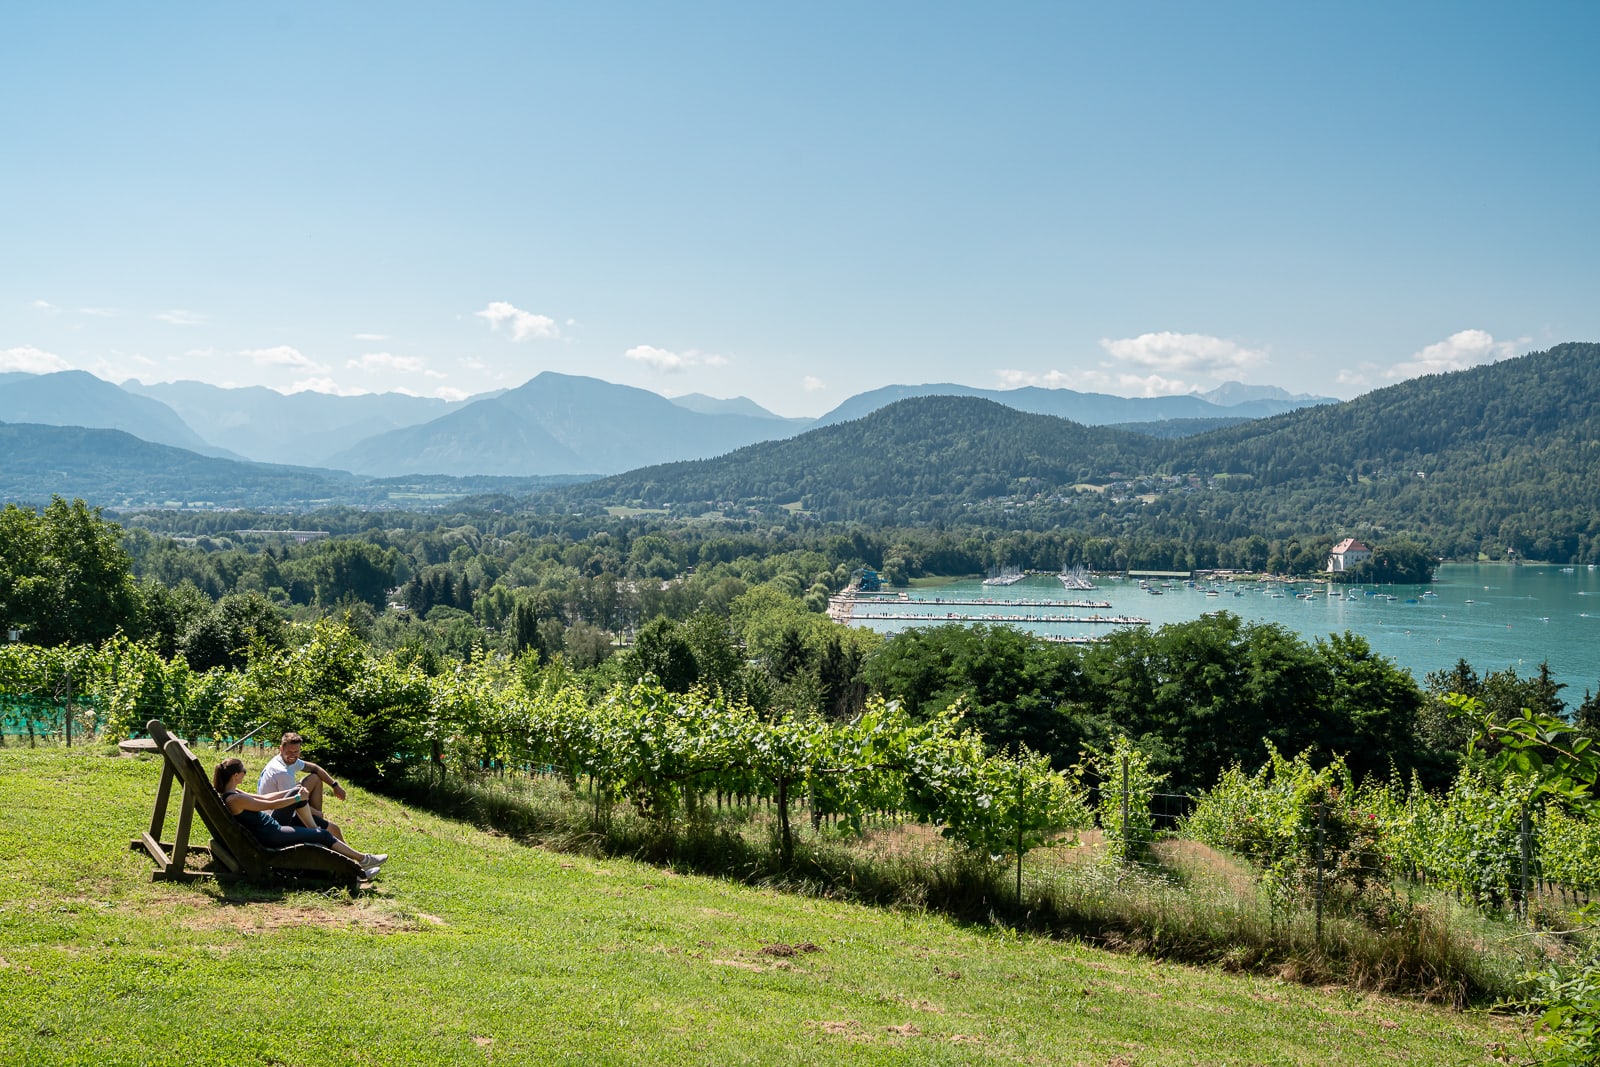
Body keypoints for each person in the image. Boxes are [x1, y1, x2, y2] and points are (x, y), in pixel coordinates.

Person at [213, 756, 387, 878]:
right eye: (243, 770)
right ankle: (362, 863)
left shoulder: (233, 793)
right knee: (325, 835)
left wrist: (295, 792)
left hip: (271, 827)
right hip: (272, 834)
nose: (245, 772)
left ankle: (316, 832)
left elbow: (265, 797)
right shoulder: (235, 800)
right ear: (236, 775)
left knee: (299, 794)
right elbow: (269, 805)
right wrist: (297, 799)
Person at [259, 732, 346, 841]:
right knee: (334, 829)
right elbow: (293, 801)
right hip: (277, 818)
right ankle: (347, 857)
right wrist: (317, 813)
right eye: (289, 752)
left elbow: (315, 768)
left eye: (296, 752)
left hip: (281, 806)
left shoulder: (284, 759)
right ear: (281, 749)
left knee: (315, 778)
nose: (292, 755)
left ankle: (316, 822)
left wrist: (335, 785)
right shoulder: (283, 772)